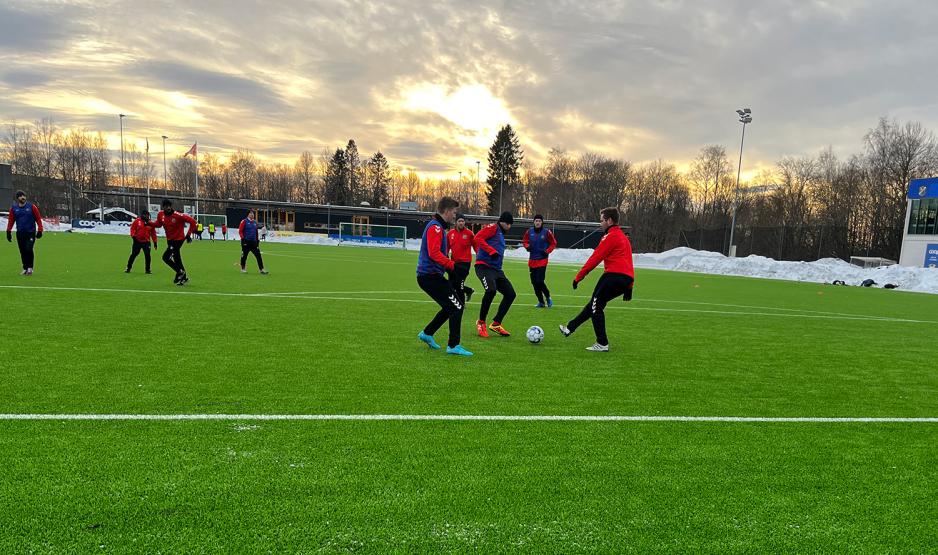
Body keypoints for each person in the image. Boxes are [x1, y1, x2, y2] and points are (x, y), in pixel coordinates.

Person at [559, 207, 634, 352]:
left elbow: (596, 258)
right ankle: (570, 327)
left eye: (602, 221)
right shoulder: (623, 237)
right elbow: (629, 262)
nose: (600, 224)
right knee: (594, 304)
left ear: (609, 221)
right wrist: (630, 286)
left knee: (596, 307)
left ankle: (602, 343)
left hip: (612, 276)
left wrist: (579, 277)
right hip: (624, 279)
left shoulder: (610, 236)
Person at [416, 197, 472, 356]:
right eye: (454, 212)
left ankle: (427, 333)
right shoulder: (436, 228)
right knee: (457, 307)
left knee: (452, 306)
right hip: (429, 277)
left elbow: (438, 255)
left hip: (432, 276)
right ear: (447, 211)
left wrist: (449, 269)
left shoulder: (438, 227)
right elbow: (434, 254)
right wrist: (453, 266)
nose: (455, 216)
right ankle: (453, 345)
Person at [473, 211, 516, 337]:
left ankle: (496, 324)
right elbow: (478, 238)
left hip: (496, 270)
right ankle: (481, 322)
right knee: (491, 291)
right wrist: (490, 250)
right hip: (483, 267)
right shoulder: (493, 228)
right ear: (503, 222)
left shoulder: (501, 234)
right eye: (509, 224)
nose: (510, 227)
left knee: (510, 294)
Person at [150, 199, 197, 285]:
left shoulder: (178, 215)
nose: (168, 207)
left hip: (178, 240)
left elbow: (193, 222)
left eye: (169, 206)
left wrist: (188, 235)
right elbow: (158, 224)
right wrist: (149, 223)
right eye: (166, 206)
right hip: (170, 240)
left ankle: (180, 272)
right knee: (177, 259)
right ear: (163, 207)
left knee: (165, 257)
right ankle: (184, 277)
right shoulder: (160, 214)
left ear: (171, 206)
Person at [522, 214, 557, 308]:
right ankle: (541, 302)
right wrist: (527, 246)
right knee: (534, 283)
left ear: (542, 222)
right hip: (532, 261)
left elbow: (553, 243)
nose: (537, 222)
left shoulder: (547, 232)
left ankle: (548, 297)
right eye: (536, 221)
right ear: (534, 222)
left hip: (542, 260)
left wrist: (548, 251)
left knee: (540, 281)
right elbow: (524, 241)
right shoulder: (529, 231)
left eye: (539, 221)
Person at [5, 190, 43, 275]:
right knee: (22, 251)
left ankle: (30, 268)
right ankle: (25, 268)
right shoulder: (14, 208)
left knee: (28, 249)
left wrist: (40, 230)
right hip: (20, 233)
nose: (23, 197)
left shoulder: (32, 207)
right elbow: (11, 221)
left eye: (24, 196)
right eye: (21, 196)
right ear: (17, 198)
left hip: (30, 232)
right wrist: (8, 231)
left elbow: (38, 219)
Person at [447, 214, 475, 305]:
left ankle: (461, 305)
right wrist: (445, 256)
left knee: (459, 284)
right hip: (453, 263)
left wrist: (481, 255)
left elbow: (476, 246)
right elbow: (447, 247)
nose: (461, 223)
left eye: (463, 221)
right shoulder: (450, 234)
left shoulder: (469, 234)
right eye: (459, 221)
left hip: (465, 264)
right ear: (456, 222)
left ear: (465, 222)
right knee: (451, 284)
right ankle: (468, 290)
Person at [239, 209, 268, 274]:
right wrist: (243, 239)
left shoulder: (255, 222)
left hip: (253, 243)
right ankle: (243, 269)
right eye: (251, 213)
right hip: (246, 242)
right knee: (244, 256)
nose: (252, 214)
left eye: (253, 213)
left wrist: (257, 240)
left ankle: (262, 269)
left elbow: (256, 232)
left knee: (258, 255)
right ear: (248, 214)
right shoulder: (244, 221)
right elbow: (240, 231)